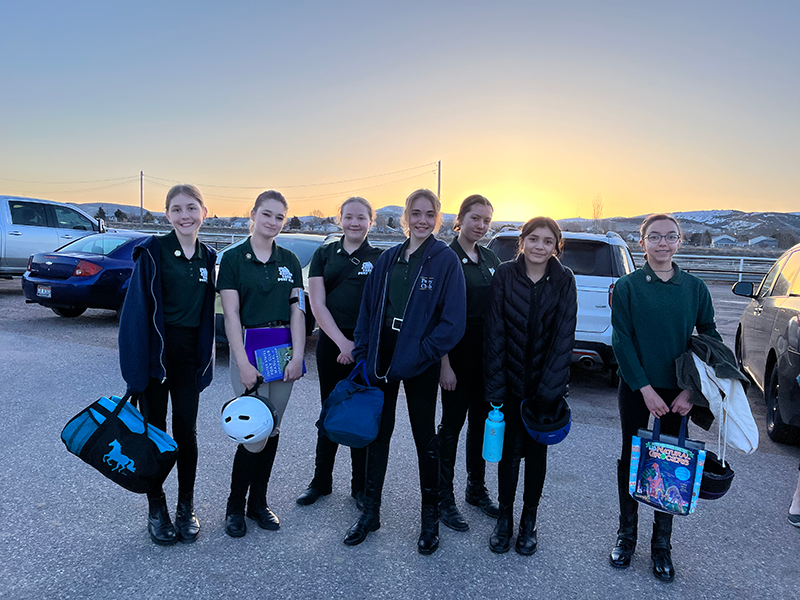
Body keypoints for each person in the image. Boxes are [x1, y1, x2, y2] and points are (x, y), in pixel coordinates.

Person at [343, 188, 466, 555]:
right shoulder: (389, 258)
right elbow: (368, 310)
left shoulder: (445, 261)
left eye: (430, 214)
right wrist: (364, 353)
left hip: (419, 363)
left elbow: (453, 322)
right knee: (378, 435)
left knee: (424, 437)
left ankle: (429, 520)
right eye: (416, 213)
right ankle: (371, 513)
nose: (422, 220)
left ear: (438, 219)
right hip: (382, 358)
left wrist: (424, 354)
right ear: (405, 218)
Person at [609, 213, 721, 581]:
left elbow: (710, 338)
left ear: (679, 241)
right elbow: (622, 340)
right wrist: (644, 389)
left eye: (670, 236)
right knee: (632, 456)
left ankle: (662, 545)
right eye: (654, 237)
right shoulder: (628, 287)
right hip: (638, 386)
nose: (662, 243)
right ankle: (627, 537)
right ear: (642, 242)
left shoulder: (694, 288)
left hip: (678, 393)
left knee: (672, 462)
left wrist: (693, 390)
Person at [118, 184, 216, 545]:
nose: (185, 215)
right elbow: (133, 316)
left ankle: (185, 506)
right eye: (177, 209)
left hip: (189, 358)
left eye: (192, 208)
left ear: (204, 212)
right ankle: (156, 507)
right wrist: (135, 373)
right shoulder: (152, 251)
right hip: (155, 359)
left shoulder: (208, 256)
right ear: (167, 215)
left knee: (185, 434)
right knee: (154, 435)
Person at [484, 217, 577, 555]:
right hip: (508, 383)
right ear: (521, 241)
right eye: (533, 239)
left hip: (544, 389)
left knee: (536, 457)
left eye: (548, 241)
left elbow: (564, 337)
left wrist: (548, 391)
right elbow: (494, 333)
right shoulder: (505, 274)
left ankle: (528, 522)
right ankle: (504, 520)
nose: (540, 246)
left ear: (557, 247)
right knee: (509, 456)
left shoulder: (564, 280)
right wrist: (496, 388)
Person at [217, 190, 306, 538]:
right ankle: (235, 506)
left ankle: (258, 503)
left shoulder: (290, 261)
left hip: (282, 352)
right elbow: (231, 315)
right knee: (251, 431)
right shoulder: (235, 259)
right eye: (266, 214)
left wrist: (298, 356)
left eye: (279, 217)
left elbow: (296, 311)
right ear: (252, 214)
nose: (272, 222)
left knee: (272, 429)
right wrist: (241, 362)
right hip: (250, 351)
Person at [296, 196, 383, 507]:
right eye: (349, 217)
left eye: (361, 217)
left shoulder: (380, 257)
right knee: (330, 410)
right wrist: (341, 343)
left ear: (371, 221)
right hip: (331, 343)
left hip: (365, 346)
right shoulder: (324, 254)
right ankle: (321, 481)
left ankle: (359, 486)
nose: (354, 223)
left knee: (360, 413)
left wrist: (358, 346)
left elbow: (379, 308)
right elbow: (317, 304)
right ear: (340, 219)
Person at [436, 194, 502, 532]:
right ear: (459, 219)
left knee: (481, 425)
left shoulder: (491, 257)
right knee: (451, 427)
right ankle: (443, 497)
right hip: (456, 357)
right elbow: (437, 315)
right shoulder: (445, 256)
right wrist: (444, 364)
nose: (481, 225)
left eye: (487, 220)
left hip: (487, 358)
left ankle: (476, 489)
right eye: (475, 218)